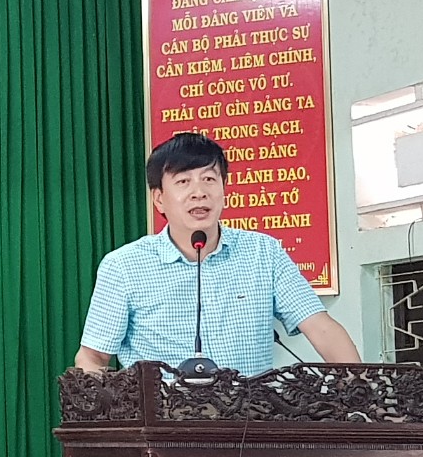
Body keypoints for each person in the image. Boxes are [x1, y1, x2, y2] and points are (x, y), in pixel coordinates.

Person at [75, 131, 359, 374]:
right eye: (183, 182)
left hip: (251, 416)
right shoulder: (124, 266)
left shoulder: (264, 253)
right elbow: (92, 357)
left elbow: (321, 328)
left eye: (209, 179)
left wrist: (362, 391)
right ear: (159, 198)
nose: (199, 192)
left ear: (225, 189)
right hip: (162, 420)